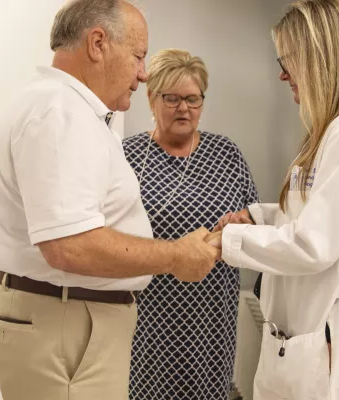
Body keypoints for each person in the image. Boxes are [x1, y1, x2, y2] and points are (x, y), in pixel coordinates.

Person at [0, 1, 219, 399]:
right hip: (66, 324)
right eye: (139, 57)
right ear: (97, 44)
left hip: (71, 319)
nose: (143, 74)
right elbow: (69, 246)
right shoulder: (59, 114)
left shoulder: (72, 111)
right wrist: (176, 255)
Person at [208, 0, 339, 398]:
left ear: (318, 57)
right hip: (309, 330)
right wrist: (258, 218)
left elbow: (315, 243)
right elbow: (318, 211)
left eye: (287, 60)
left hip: (327, 332)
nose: (282, 75)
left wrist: (225, 243)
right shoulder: (337, 127)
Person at [122, 49, 260, 400]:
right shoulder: (127, 156)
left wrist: (243, 222)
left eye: (193, 99)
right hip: (149, 316)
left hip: (211, 317)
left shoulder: (227, 154)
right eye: (172, 98)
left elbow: (256, 222)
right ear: (152, 100)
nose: (183, 108)